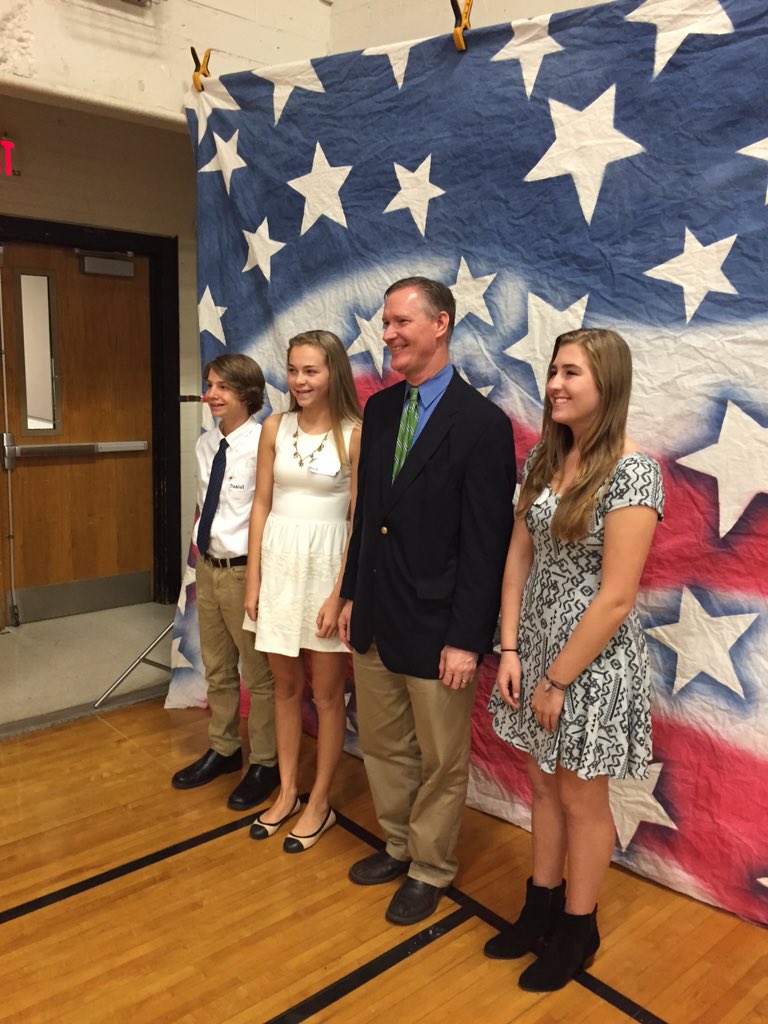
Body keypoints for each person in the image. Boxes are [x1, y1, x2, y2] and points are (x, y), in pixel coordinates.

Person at [486, 328, 664, 992]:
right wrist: (510, 648)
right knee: (542, 785)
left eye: (571, 373)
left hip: (591, 662)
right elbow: (517, 558)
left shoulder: (633, 471)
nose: (555, 384)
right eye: (553, 371)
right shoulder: (544, 456)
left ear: (606, 384)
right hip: (534, 649)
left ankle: (578, 927)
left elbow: (616, 597)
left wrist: (558, 678)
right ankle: (540, 904)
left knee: (581, 797)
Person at [339, 277, 516, 926]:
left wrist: (467, 639)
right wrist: (352, 593)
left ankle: (430, 868)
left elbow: (487, 547)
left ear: (440, 324)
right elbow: (367, 517)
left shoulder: (483, 425)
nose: (387, 334)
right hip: (376, 615)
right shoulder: (381, 410)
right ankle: (397, 845)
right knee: (384, 745)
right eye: (385, 323)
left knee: (441, 760)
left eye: (399, 322)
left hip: (441, 628)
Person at [244, 330, 361, 852]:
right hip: (279, 567)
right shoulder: (275, 426)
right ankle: (288, 791)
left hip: (327, 570)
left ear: (334, 372)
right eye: (293, 370)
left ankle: (320, 802)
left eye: (311, 370)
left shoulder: (355, 433)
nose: (299, 380)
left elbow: (358, 519)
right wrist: (254, 578)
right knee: (285, 687)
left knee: (327, 694)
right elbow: (261, 504)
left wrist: (340, 593)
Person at [172, 354, 278, 811]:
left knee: (258, 673)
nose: (211, 394)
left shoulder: (264, 444)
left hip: (244, 572)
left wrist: (258, 579)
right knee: (216, 667)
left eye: (222, 387)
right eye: (209, 385)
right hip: (209, 568)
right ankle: (224, 748)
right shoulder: (205, 444)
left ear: (246, 394)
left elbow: (267, 513)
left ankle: (267, 762)